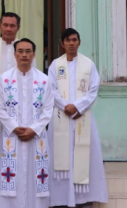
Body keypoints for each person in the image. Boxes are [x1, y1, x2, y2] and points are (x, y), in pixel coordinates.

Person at [47, 28, 108, 208]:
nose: (71, 43)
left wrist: (78, 106)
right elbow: (51, 89)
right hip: (61, 117)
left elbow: (93, 89)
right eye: (68, 40)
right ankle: (60, 199)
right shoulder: (54, 65)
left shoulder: (88, 65)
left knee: (85, 156)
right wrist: (66, 106)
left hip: (82, 118)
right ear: (62, 43)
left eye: (74, 40)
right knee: (59, 156)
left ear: (79, 42)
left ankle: (83, 199)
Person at [0, 38, 53, 208]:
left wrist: (34, 130)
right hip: (11, 139)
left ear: (34, 54)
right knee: (12, 179)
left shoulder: (44, 80)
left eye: (28, 51)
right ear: (15, 54)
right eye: (20, 51)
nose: (24, 55)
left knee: (36, 179)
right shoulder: (4, 80)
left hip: (37, 139)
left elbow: (48, 109)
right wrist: (15, 128)